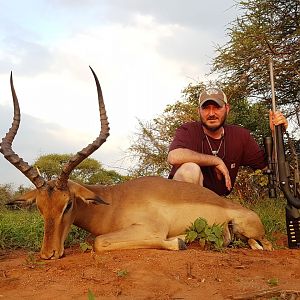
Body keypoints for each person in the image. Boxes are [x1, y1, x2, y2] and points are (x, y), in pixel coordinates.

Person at [167, 87, 288, 196]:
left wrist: (276, 134)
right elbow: (174, 157)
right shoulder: (188, 130)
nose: (211, 113)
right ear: (198, 111)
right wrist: (215, 160)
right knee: (190, 169)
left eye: (217, 107)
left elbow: (269, 166)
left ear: (227, 108)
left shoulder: (241, 135)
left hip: (216, 203)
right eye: (206, 108)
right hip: (182, 202)